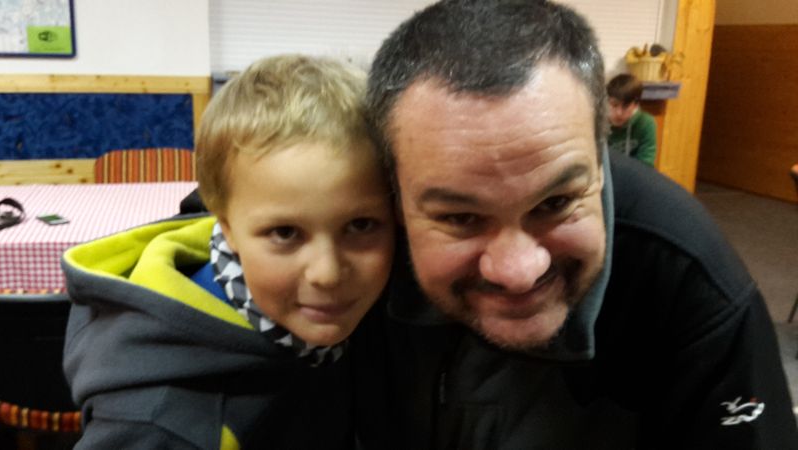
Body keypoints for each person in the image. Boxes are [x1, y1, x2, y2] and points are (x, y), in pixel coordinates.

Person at [352, 1, 798, 449]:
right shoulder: (349, 249)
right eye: (460, 218)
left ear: (601, 164)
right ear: (395, 196)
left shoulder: (689, 274)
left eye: (556, 202)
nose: (518, 271)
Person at [62, 54, 395, 449]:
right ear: (227, 227)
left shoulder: (320, 323)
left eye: (361, 226)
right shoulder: (161, 424)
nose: (328, 273)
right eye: (285, 233)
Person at [606, 73, 658, 166]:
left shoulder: (646, 123)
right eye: (614, 105)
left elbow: (646, 165)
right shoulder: (597, 122)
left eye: (625, 107)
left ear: (636, 105)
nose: (619, 113)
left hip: (632, 173)